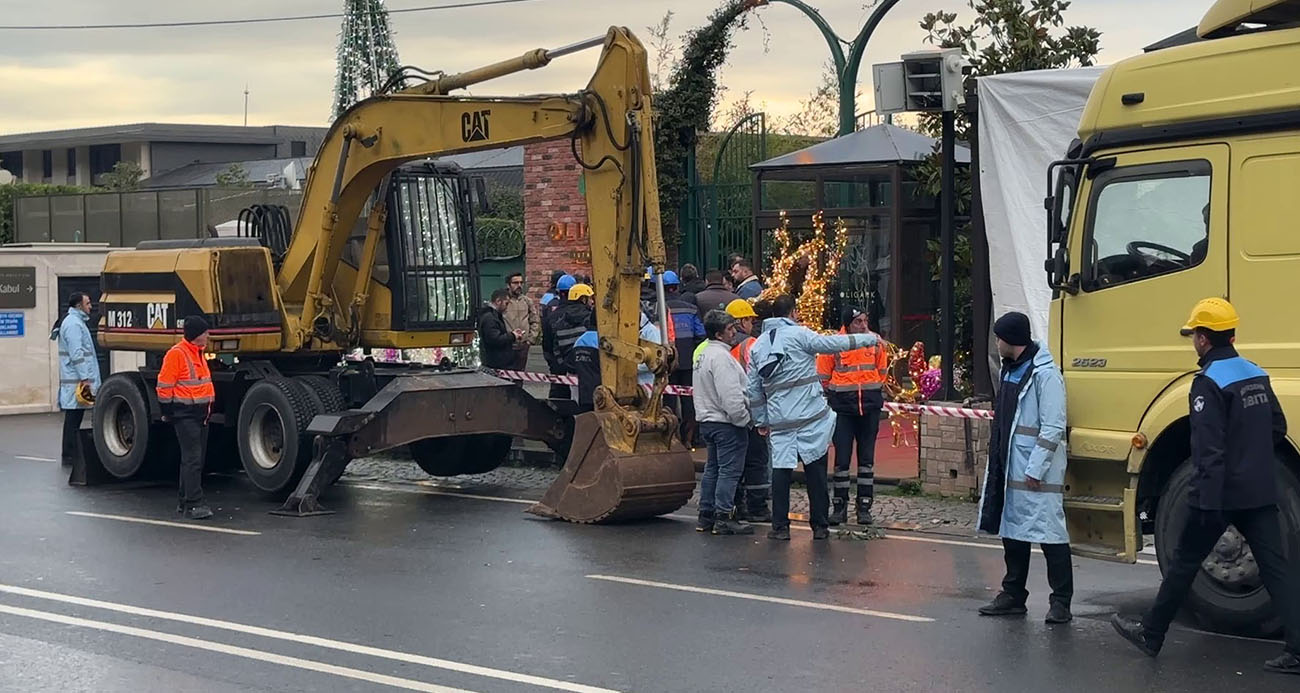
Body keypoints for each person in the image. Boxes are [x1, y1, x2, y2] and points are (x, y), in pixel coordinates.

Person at [1112, 299, 1298, 675]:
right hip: (1260, 489)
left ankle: (1151, 633)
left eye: (1194, 333)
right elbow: (1277, 428)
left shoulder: (1208, 383)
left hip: (1222, 494)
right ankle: (1296, 649)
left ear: (1202, 338)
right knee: (1277, 568)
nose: (1193, 340)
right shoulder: (1255, 374)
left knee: (1184, 563)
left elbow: (1208, 451)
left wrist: (1205, 502)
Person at [746, 294, 876, 540]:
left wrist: (761, 420)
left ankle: (780, 527)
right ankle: (820, 526)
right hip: (810, 417)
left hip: (780, 419)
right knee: (816, 471)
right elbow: (832, 345)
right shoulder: (801, 335)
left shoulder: (759, 344)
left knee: (781, 470)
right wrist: (867, 339)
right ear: (793, 312)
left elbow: (752, 390)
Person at [976, 311, 1072, 624]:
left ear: (1012, 340)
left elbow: (1053, 425)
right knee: (1013, 533)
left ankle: (1061, 602)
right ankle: (1013, 594)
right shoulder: (1011, 369)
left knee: (1051, 535)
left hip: (1034, 474)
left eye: (999, 337)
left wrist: (1036, 468)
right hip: (1011, 468)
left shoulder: (1045, 374)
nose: (997, 342)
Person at [817, 305, 888, 526]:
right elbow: (823, 376)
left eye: (866, 321)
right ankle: (839, 507)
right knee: (842, 460)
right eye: (859, 322)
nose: (864, 325)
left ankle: (864, 506)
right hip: (843, 409)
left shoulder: (875, 342)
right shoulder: (833, 345)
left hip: (869, 407)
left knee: (867, 460)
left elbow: (882, 371)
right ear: (848, 324)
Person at [693, 309, 754, 535]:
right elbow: (731, 396)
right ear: (719, 334)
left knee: (713, 469)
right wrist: (744, 420)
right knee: (729, 471)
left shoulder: (703, 355)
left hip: (708, 420)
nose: (734, 333)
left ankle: (706, 514)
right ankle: (724, 515)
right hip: (726, 423)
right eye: (730, 329)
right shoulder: (722, 359)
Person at [157, 316, 215, 520]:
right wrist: (168, 412)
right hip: (186, 414)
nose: (208, 335)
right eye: (205, 332)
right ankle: (194, 503)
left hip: (200, 415)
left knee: (193, 459)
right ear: (196, 335)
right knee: (193, 459)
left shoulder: (198, 353)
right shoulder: (177, 354)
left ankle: (185, 502)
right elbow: (164, 386)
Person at [726, 298, 771, 522]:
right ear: (741, 321)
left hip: (728, 411)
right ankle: (758, 506)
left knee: (735, 461)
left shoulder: (714, 346)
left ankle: (736, 504)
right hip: (751, 411)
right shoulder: (751, 344)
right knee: (757, 460)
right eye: (750, 319)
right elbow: (761, 377)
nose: (752, 323)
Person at [55, 291, 100, 465]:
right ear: (79, 306)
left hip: (75, 380)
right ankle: (69, 453)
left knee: (74, 418)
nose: (91, 306)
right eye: (88, 303)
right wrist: (86, 378)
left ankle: (69, 452)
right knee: (73, 418)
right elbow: (77, 354)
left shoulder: (75, 322)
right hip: (77, 381)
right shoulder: (74, 324)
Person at [664, 271, 705, 448]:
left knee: (669, 400)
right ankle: (688, 439)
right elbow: (701, 334)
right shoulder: (690, 308)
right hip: (688, 361)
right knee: (689, 401)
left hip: (667, 361)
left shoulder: (659, 307)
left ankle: (671, 438)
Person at [548, 283, 595, 400]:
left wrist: (565, 365)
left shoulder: (560, 320)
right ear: (583, 299)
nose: (592, 302)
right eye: (590, 298)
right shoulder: (589, 319)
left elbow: (556, 348)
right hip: (589, 372)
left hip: (569, 371)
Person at [541, 274, 576, 399]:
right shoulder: (581, 313)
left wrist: (551, 360)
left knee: (558, 395)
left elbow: (546, 340)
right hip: (576, 365)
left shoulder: (551, 312)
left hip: (556, 362)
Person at [502, 272, 541, 371]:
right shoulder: (503, 301)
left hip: (523, 345)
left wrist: (530, 340)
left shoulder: (527, 301)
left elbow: (535, 321)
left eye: (521, 282)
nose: (519, 285)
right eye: (515, 283)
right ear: (508, 285)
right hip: (507, 344)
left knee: (520, 374)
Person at [477, 288, 522, 370]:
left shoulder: (493, 316)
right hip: (495, 362)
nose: (507, 307)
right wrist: (513, 336)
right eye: (506, 303)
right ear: (498, 301)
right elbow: (495, 339)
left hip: (498, 361)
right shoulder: (490, 318)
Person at [569, 314, 600, 413]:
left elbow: (570, 367)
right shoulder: (605, 342)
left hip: (583, 394)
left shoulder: (580, 341)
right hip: (603, 395)